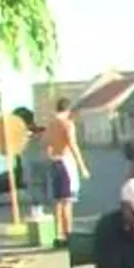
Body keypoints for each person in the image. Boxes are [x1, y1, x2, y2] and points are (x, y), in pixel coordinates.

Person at [45, 98, 91, 244]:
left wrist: (50, 155)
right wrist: (82, 166)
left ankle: (58, 234)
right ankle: (68, 234)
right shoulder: (67, 124)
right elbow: (72, 144)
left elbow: (46, 144)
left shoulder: (51, 124)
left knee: (58, 201)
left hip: (55, 162)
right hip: (66, 162)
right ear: (68, 110)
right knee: (67, 201)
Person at [14, 107, 53, 214]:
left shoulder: (20, 134)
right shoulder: (42, 131)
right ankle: (44, 211)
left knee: (36, 191)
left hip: (32, 165)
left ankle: (40, 211)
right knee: (45, 191)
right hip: (45, 162)